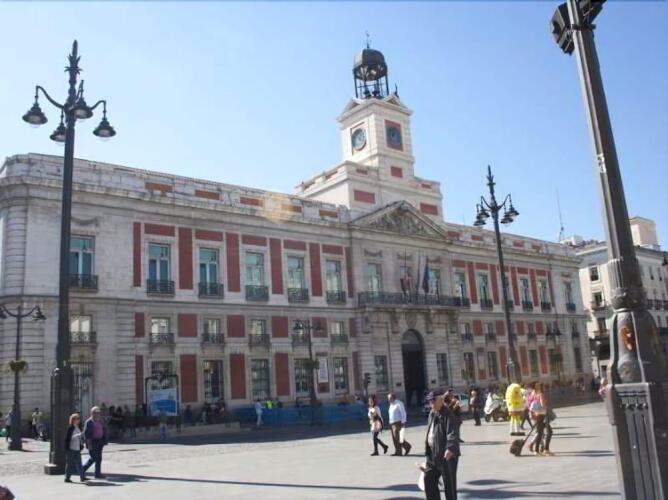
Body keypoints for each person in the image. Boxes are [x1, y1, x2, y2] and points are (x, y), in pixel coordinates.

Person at [421, 389, 460, 500]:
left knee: (449, 486)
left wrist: (450, 448)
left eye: (433, 400)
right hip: (433, 455)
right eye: (429, 401)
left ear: (441, 399)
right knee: (428, 479)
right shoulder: (432, 413)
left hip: (446, 456)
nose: (431, 403)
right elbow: (430, 431)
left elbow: (452, 432)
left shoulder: (448, 414)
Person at [82, 406, 108, 479]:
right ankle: (82, 469)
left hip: (100, 441)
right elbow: (86, 433)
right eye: (95, 412)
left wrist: (105, 440)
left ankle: (97, 473)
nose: (97, 414)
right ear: (92, 413)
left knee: (99, 458)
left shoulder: (100, 421)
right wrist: (88, 443)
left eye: (98, 413)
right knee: (93, 458)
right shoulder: (89, 422)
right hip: (92, 442)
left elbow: (104, 430)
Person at [64, 413, 86, 483]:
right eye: (77, 418)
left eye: (79, 418)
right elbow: (68, 438)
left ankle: (82, 477)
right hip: (71, 448)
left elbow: (79, 437)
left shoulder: (78, 427)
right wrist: (78, 435)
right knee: (70, 464)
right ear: (73, 420)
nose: (79, 420)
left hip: (77, 448)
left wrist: (82, 443)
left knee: (79, 464)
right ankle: (67, 478)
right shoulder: (71, 428)